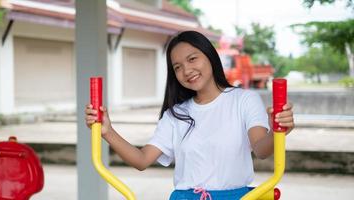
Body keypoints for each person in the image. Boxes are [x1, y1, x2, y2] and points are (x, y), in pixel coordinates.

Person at [85, 30, 294, 200]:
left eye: (192, 59)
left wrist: (278, 130)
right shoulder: (176, 114)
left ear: (210, 56)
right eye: (178, 67)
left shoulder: (244, 100)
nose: (187, 70)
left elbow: (261, 150)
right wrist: (107, 131)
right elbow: (142, 160)